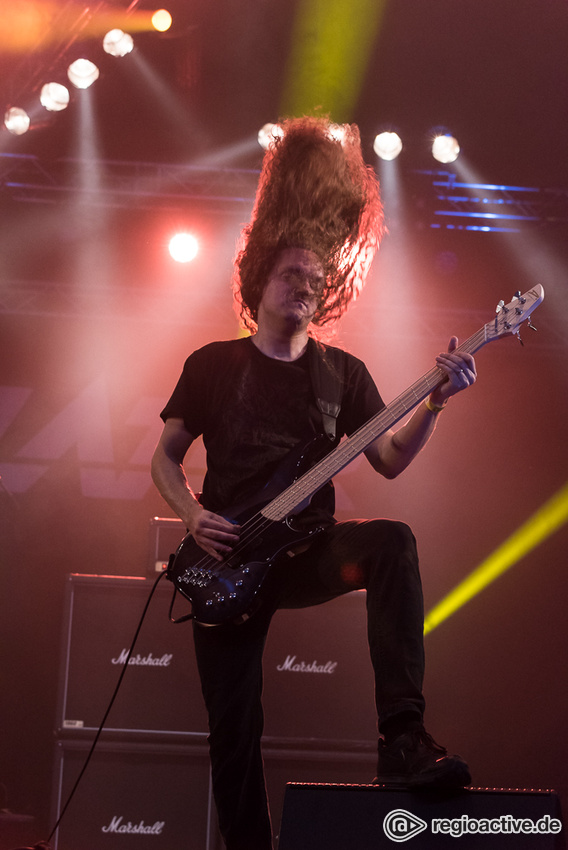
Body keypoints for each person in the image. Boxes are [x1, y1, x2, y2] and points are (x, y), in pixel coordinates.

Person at [151, 117, 477, 850]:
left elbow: (389, 460)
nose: (304, 285)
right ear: (260, 279)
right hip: (227, 558)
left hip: (305, 552)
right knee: (233, 729)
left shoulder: (344, 374)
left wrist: (434, 402)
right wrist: (192, 518)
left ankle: (402, 737)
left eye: (315, 279)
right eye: (292, 273)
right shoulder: (211, 365)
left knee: (391, 542)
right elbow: (163, 460)